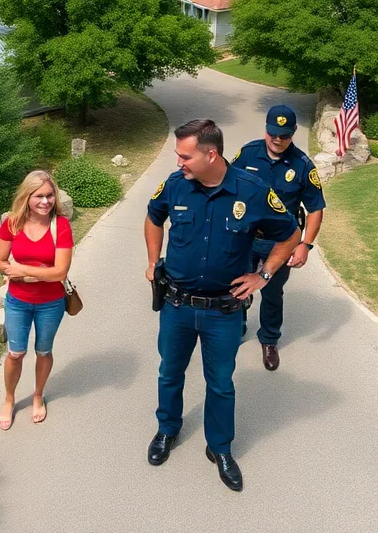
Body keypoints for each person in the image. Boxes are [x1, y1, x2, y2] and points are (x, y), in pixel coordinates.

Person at [144, 119, 300, 492]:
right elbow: (153, 217)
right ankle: (167, 430)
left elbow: (291, 232)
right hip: (177, 305)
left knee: (221, 384)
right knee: (170, 373)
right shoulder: (176, 183)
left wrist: (262, 276)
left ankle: (220, 448)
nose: (178, 161)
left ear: (210, 153)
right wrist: (152, 262)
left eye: (185, 155)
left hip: (224, 311)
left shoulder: (252, 190)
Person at [234, 105, 325, 371]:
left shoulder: (302, 165)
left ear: (294, 132)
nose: (277, 140)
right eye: (273, 133)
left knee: (273, 293)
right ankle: (236, 326)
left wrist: (305, 245)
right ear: (266, 129)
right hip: (246, 239)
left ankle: (269, 339)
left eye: (284, 135)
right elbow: (229, 187)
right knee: (236, 284)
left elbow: (316, 208)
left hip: (281, 243)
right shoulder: (247, 154)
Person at [0, 170, 74, 430]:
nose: (46, 201)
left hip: (51, 302)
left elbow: (60, 272)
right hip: (17, 300)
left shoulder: (60, 226)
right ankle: (9, 399)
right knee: (15, 353)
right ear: (27, 196)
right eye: (39, 196)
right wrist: (13, 272)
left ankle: (38, 395)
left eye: (50, 195)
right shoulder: (12, 223)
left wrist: (24, 271)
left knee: (43, 351)